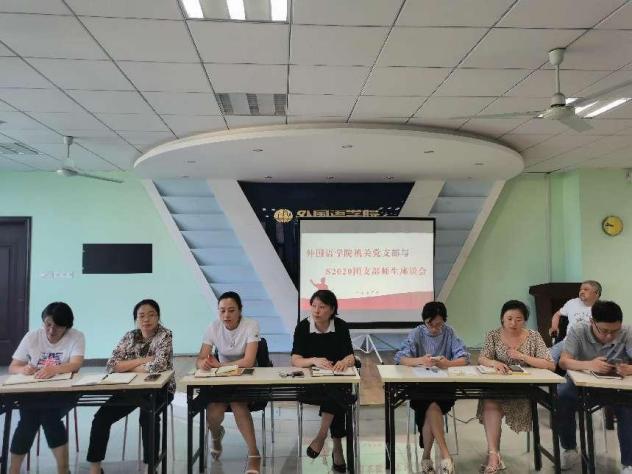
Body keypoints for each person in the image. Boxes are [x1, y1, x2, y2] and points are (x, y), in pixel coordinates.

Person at [87, 299, 174, 474]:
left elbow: (159, 366)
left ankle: (151, 466)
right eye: (141, 316)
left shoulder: (164, 335)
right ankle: (95, 467)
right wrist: (143, 360)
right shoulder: (129, 336)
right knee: (101, 418)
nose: (146, 319)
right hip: (130, 388)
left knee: (148, 416)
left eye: (151, 315)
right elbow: (111, 365)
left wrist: (126, 366)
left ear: (158, 317)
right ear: (136, 319)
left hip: (160, 389)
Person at [477, 300, 554, 473]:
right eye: (509, 319)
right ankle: (494, 455)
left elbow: (550, 364)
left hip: (523, 391)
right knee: (490, 402)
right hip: (497, 387)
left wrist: (523, 357)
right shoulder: (493, 335)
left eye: (519, 319)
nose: (513, 323)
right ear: (502, 319)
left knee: (493, 402)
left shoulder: (533, 336)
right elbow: (482, 358)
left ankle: (494, 456)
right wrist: (494, 363)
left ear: (524, 320)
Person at [8, 302, 85, 474]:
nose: (51, 331)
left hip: (63, 391)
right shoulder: (32, 336)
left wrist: (54, 369)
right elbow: (13, 366)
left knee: (49, 417)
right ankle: (14, 470)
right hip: (34, 391)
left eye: (57, 326)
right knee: (28, 421)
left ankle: (63, 470)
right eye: (48, 325)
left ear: (67, 326)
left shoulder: (76, 336)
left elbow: (76, 364)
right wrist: (24, 369)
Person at [394, 301, 469, 474]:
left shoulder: (449, 332)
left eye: (439, 324)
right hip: (420, 384)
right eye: (430, 324)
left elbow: (465, 358)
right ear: (424, 320)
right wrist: (420, 360)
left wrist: (448, 363)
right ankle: (445, 455)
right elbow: (400, 358)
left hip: (444, 385)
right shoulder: (417, 333)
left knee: (432, 406)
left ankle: (426, 457)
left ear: (444, 321)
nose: (434, 329)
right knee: (431, 405)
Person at [558, 300, 632, 472]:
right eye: (604, 331)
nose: (609, 336)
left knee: (628, 408)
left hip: (617, 387)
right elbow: (563, 362)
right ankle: (569, 448)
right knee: (561, 396)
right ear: (592, 322)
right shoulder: (578, 330)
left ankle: (629, 463)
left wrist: (629, 369)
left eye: (614, 331)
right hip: (582, 385)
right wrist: (589, 365)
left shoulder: (627, 332)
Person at [196, 291, 261, 474]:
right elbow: (200, 359)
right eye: (222, 310)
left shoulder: (251, 325)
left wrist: (221, 366)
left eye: (231, 310)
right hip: (222, 378)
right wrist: (204, 363)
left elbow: (248, 361)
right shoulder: (213, 327)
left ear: (240, 310)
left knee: (238, 404)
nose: (226, 315)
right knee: (213, 410)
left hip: (246, 376)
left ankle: (254, 454)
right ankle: (217, 437)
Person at [291, 289, 355, 473]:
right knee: (339, 396)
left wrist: (344, 362)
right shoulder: (303, 327)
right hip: (312, 384)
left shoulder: (340, 326)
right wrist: (313, 360)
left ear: (332, 309)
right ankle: (337, 447)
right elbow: (295, 360)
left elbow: (350, 356)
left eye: (322, 307)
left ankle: (321, 437)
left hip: (335, 379)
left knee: (336, 392)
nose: (316, 311)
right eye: (313, 306)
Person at [549, 280, 601, 363]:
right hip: (568, 342)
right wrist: (554, 327)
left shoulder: (602, 308)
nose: (582, 291)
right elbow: (557, 314)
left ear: (596, 293)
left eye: (586, 289)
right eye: (581, 289)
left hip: (589, 345)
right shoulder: (572, 303)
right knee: (547, 357)